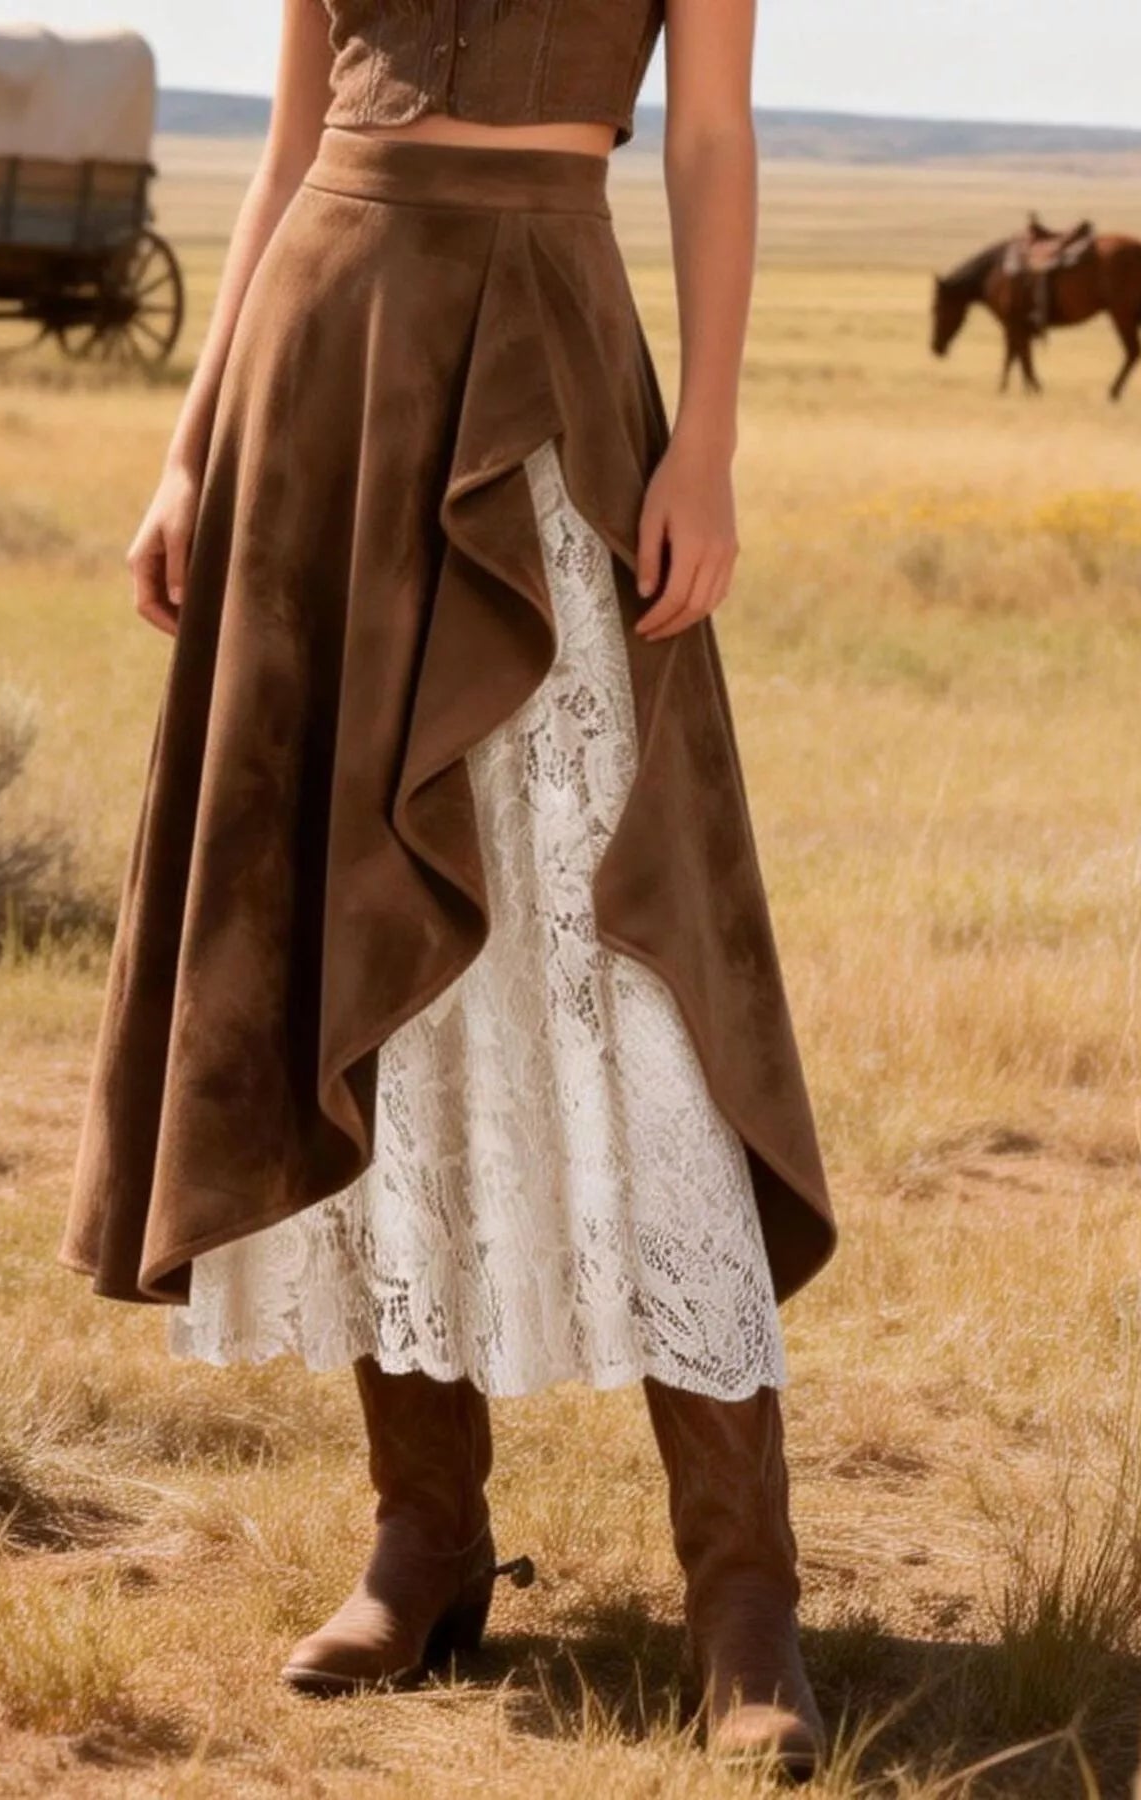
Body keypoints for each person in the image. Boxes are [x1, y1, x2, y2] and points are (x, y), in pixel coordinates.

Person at [59, 0, 838, 1780]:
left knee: (615, 944)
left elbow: (709, 139)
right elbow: (283, 156)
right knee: (360, 949)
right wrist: (189, 446)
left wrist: (704, 439)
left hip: (550, 356)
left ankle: (742, 1594)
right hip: (322, 371)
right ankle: (423, 1541)